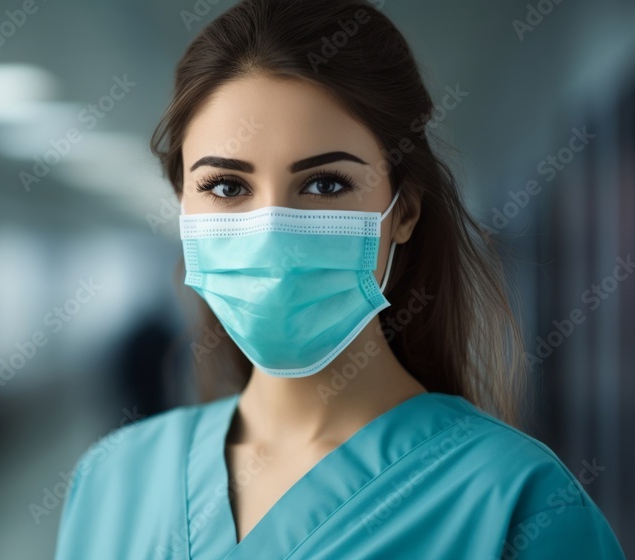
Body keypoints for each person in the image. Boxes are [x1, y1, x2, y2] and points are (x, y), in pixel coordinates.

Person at [54, 0, 626, 557]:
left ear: (403, 211)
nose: (271, 230)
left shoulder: (516, 505)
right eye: (227, 187)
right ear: (182, 204)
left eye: (325, 184)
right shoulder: (111, 480)